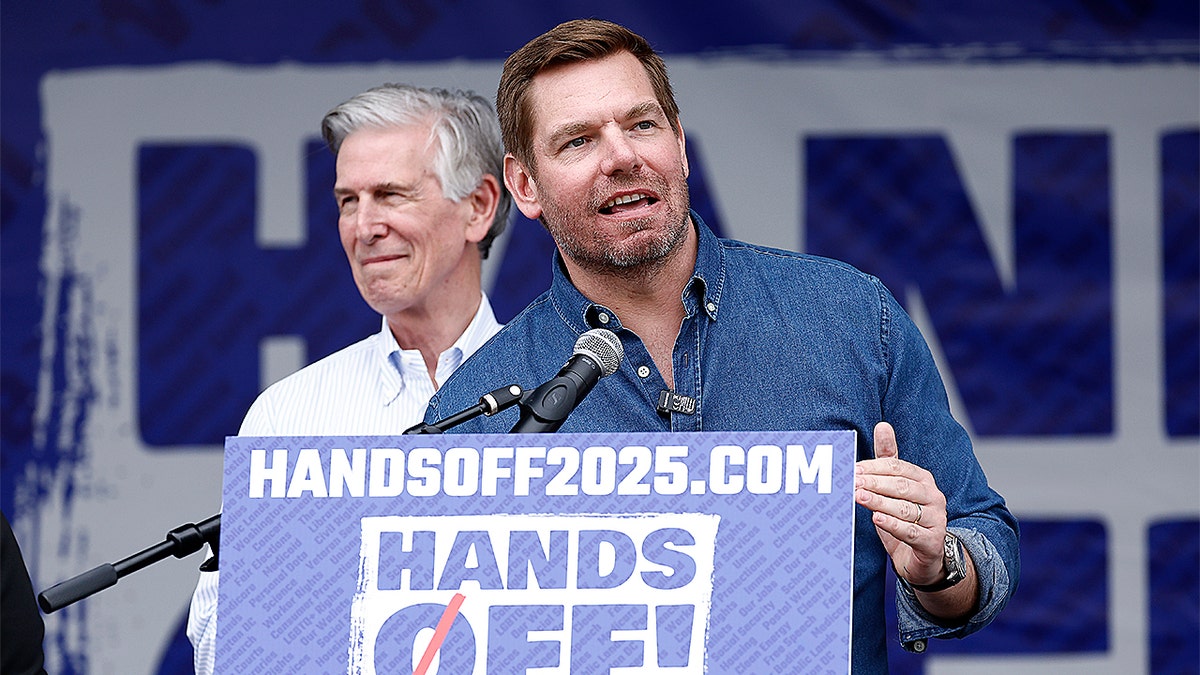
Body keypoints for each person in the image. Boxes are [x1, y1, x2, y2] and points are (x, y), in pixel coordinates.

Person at [423, 18, 1019, 672]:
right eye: (579, 140)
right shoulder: (479, 411)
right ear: (525, 186)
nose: (621, 156)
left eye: (642, 125)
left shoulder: (851, 316)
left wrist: (938, 563)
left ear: (679, 143)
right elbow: (443, 637)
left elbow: (982, 539)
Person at [186, 83, 511, 674]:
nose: (363, 227)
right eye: (347, 202)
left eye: (390, 194)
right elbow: (218, 657)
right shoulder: (289, 415)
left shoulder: (573, 389)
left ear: (479, 206)